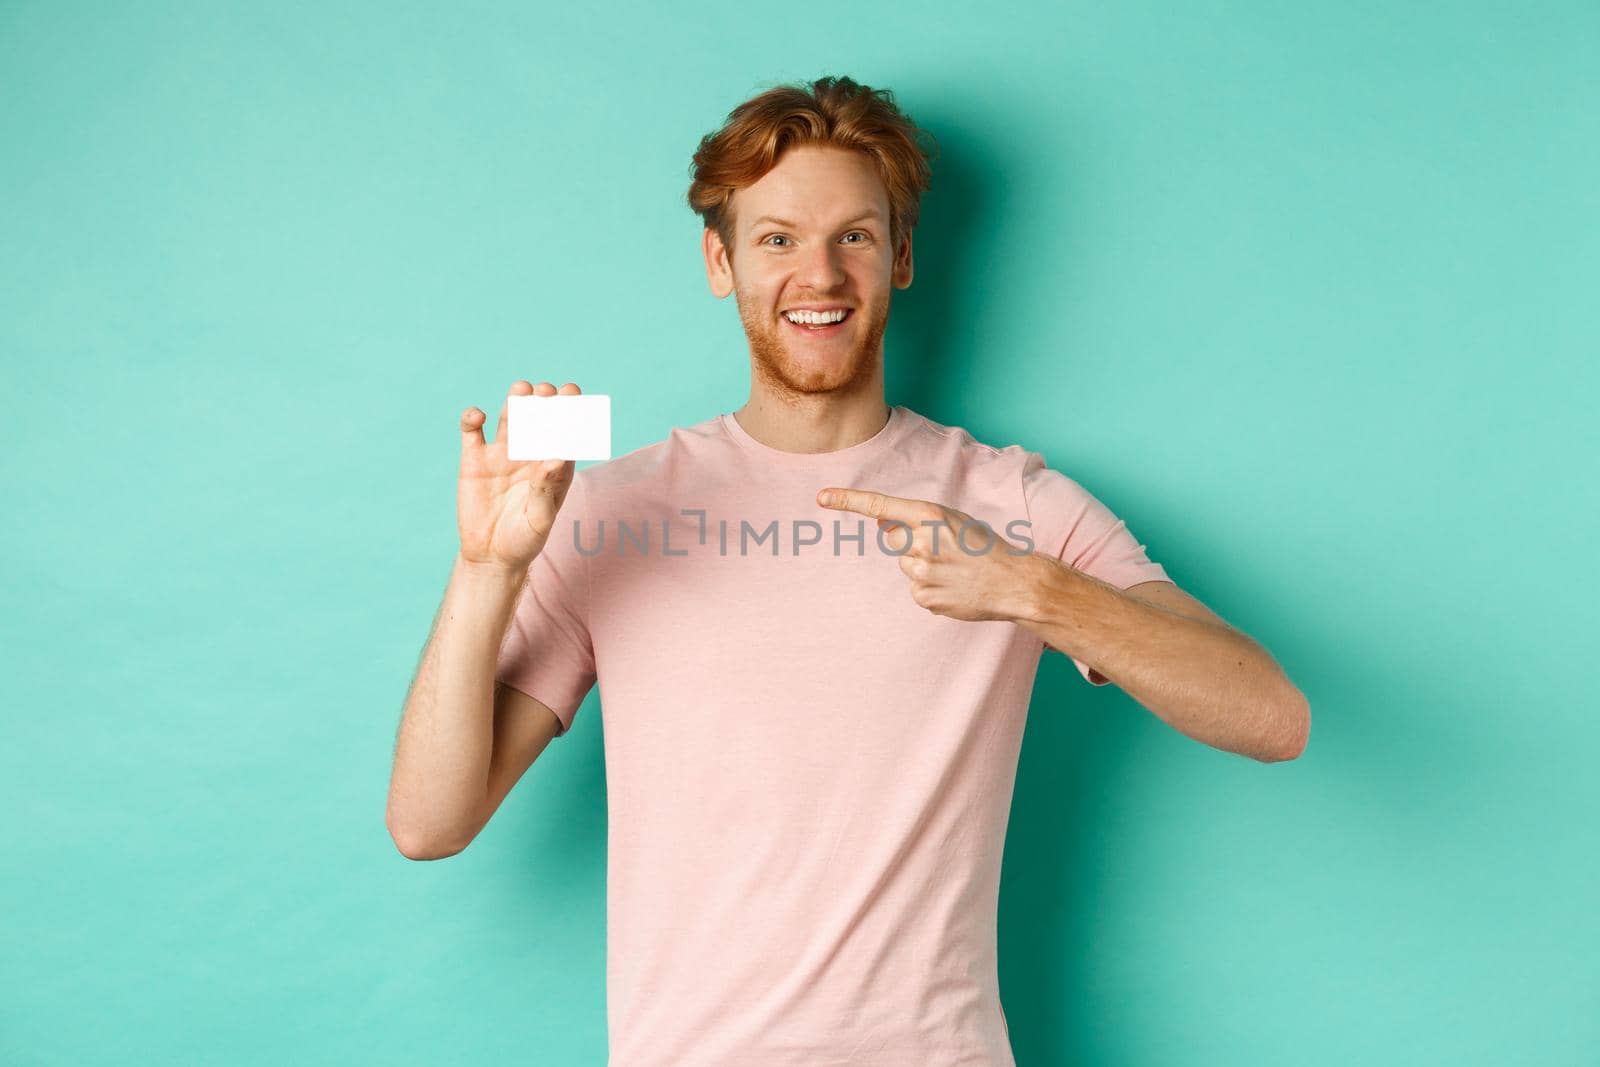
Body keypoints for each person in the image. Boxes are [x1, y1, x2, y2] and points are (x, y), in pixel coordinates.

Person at [387, 74, 1310, 1066]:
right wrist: (488, 568)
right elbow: (428, 821)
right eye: (777, 238)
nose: (817, 274)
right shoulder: (613, 506)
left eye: (854, 237)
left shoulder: (1008, 502)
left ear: (901, 255)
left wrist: (1034, 589)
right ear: (719, 260)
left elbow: (1270, 715)